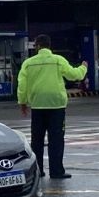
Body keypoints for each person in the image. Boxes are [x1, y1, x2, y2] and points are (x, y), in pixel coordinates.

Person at [17, 35, 88, 181]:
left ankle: (38, 170)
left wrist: (22, 102)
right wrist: (83, 67)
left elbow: (22, 85)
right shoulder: (58, 60)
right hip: (57, 106)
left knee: (37, 139)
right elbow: (74, 75)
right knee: (56, 139)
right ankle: (56, 171)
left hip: (37, 105)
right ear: (50, 46)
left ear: (37, 46)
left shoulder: (28, 63)